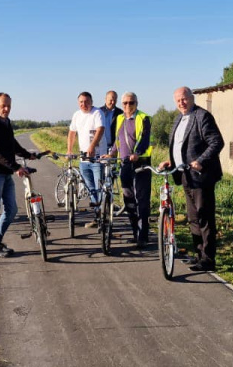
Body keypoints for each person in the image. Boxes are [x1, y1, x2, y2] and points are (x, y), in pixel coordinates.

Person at [158, 86, 224, 272]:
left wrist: (201, 161)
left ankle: (208, 259)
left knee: (204, 217)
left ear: (192, 98)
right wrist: (171, 162)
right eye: (178, 100)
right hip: (185, 175)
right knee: (193, 218)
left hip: (201, 177)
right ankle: (199, 255)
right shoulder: (179, 118)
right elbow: (179, 147)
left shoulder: (202, 116)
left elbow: (217, 142)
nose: (181, 103)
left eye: (184, 99)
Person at [0, 93, 37, 258]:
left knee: (11, 210)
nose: (6, 109)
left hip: (5, 172)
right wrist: (15, 167)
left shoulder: (6, 122)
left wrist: (27, 154)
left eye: (9, 106)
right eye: (3, 106)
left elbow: (12, 144)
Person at [111, 92, 152, 249]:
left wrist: (137, 153)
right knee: (129, 200)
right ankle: (136, 234)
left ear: (136, 103)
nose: (128, 105)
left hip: (141, 163)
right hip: (125, 164)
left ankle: (143, 237)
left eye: (131, 102)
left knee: (142, 201)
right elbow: (118, 140)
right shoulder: (120, 118)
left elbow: (145, 139)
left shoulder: (143, 118)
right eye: (125, 103)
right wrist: (111, 153)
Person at [67, 91, 106, 226]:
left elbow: (100, 129)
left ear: (91, 102)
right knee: (90, 189)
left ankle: (103, 216)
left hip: (97, 158)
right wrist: (69, 150)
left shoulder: (97, 113)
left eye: (86, 101)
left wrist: (92, 146)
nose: (84, 104)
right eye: (81, 102)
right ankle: (97, 216)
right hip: (84, 159)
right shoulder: (76, 115)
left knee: (99, 187)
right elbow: (72, 132)